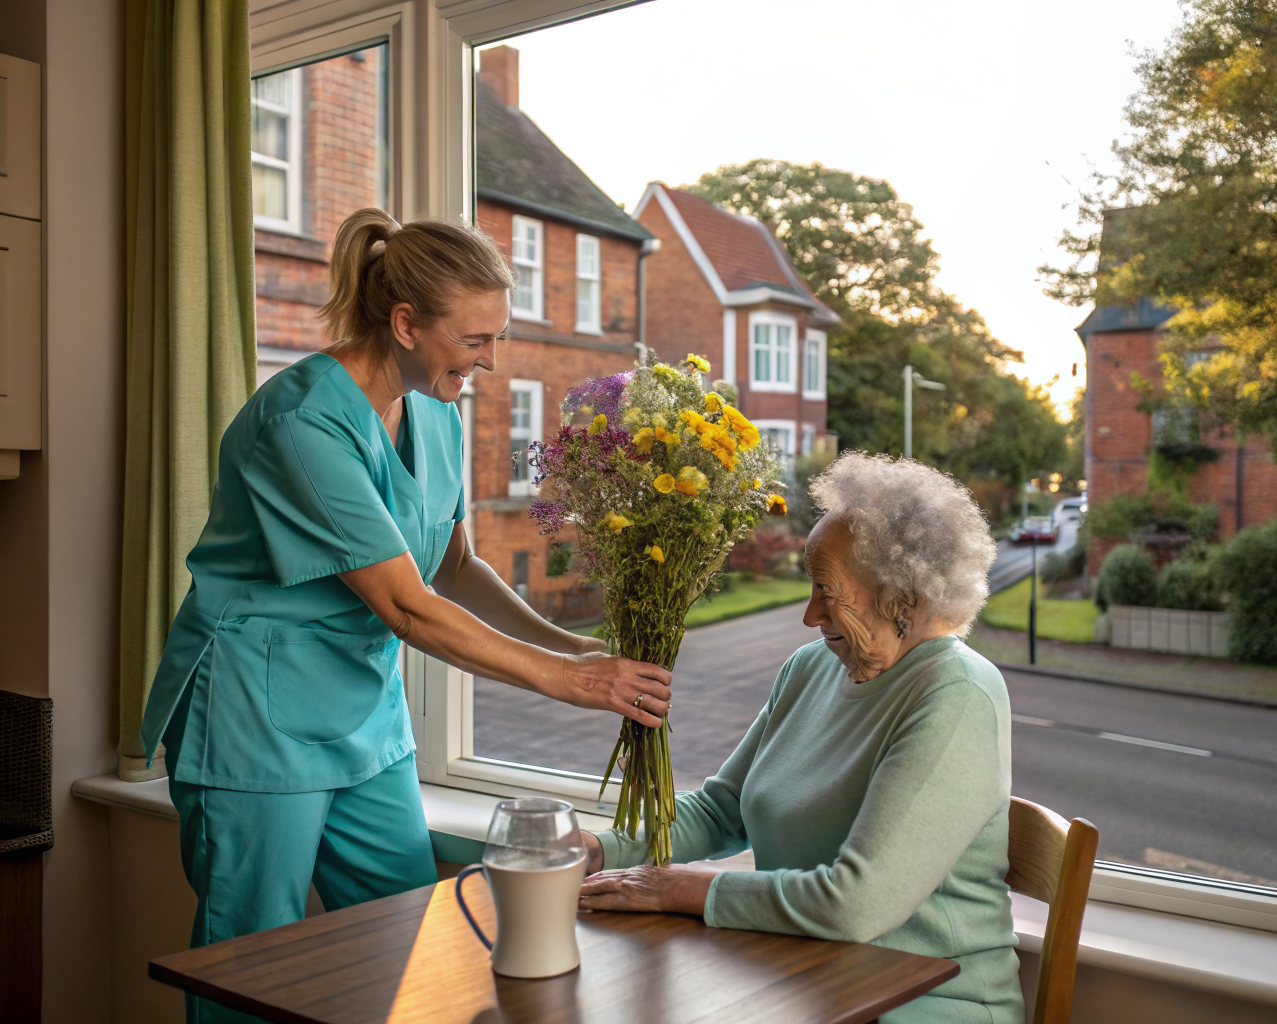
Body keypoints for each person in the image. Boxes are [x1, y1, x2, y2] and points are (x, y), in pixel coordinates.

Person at [139, 208, 672, 1023]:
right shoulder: (301, 422)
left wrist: (575, 643)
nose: (492, 361)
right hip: (253, 714)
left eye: (498, 338)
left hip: (363, 715)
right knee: (251, 956)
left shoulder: (433, 411)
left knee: (409, 932)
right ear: (405, 324)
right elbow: (405, 606)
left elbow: (453, 565)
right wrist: (568, 682)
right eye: (476, 340)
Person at [578, 452, 1023, 1024]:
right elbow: (720, 812)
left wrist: (677, 889)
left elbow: (854, 905)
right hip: (811, 982)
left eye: (826, 590)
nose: (810, 615)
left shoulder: (957, 694)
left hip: (927, 1003)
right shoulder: (811, 668)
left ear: (903, 597)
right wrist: (595, 850)